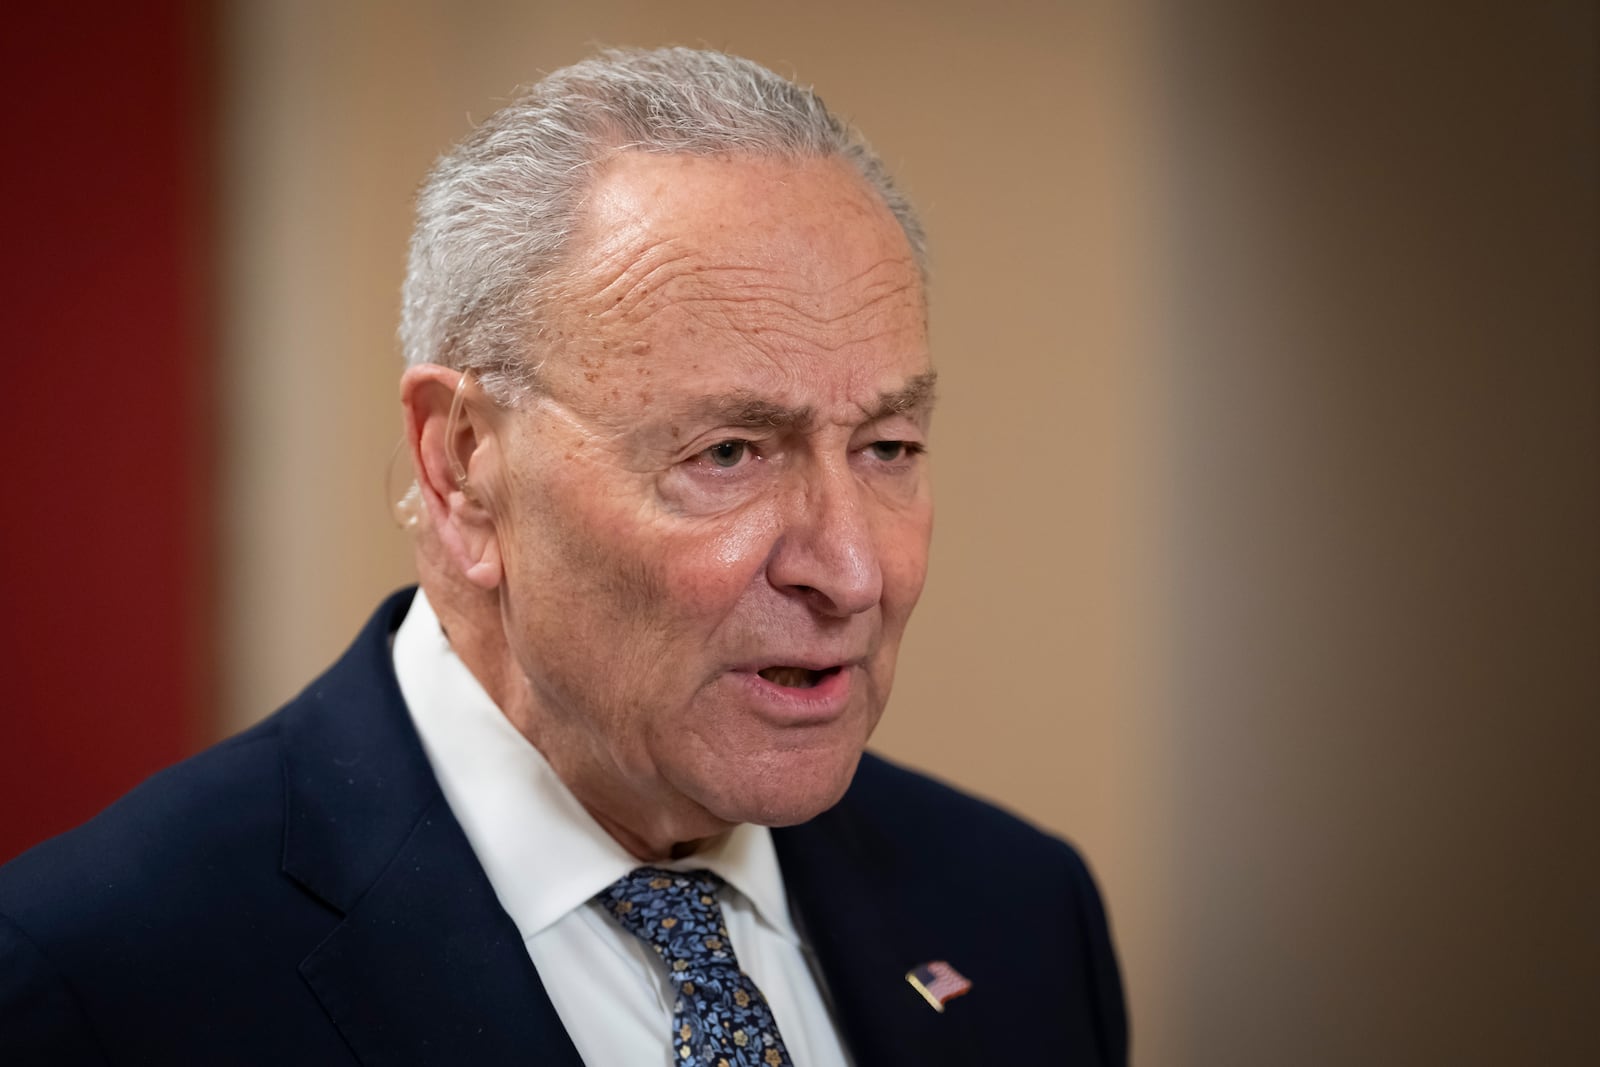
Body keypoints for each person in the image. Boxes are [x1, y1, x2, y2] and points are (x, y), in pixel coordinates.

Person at [0, 48, 1126, 1065]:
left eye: (886, 446)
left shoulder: (1018, 906)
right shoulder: (97, 980)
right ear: (461, 465)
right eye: (727, 451)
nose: (850, 569)